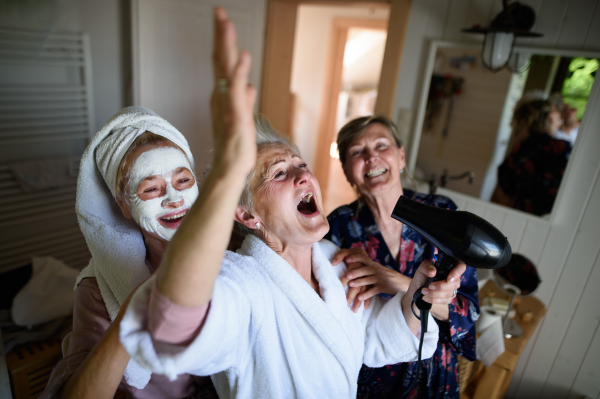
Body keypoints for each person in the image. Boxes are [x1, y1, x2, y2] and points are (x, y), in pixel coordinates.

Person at [117, 8, 460, 399]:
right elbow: (176, 327)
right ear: (246, 213)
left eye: (301, 165)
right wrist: (228, 175)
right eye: (278, 173)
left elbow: (372, 340)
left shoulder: (332, 262)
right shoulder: (241, 284)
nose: (302, 176)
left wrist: (415, 294)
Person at [41, 106, 217, 398]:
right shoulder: (96, 291)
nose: (174, 199)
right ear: (123, 205)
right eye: (151, 189)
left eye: (183, 181)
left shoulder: (233, 255)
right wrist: (132, 317)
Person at [325, 115, 479, 399]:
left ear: (401, 156)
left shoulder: (444, 213)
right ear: (347, 171)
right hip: (371, 376)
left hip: (434, 378)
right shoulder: (336, 227)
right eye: (357, 152)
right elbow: (331, 314)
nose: (371, 157)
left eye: (381, 145)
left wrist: (398, 283)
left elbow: (468, 311)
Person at [492, 99, 571, 216]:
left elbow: (504, 185)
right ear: (550, 117)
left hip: (514, 213)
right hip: (546, 217)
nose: (560, 117)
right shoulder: (560, 147)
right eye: (557, 112)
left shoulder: (520, 146)